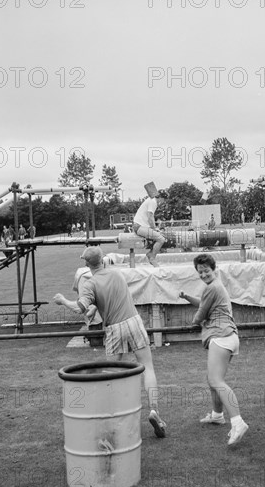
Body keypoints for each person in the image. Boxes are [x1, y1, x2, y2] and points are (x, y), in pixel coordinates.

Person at [53, 246, 166, 438]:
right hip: (133, 321)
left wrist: (63, 300)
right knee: (148, 367)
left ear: (86, 263)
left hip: (114, 329)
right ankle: (154, 410)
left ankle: (114, 420)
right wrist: (95, 308)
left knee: (110, 377)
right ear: (103, 259)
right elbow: (108, 298)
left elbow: (78, 308)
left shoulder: (90, 283)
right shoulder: (117, 274)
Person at [179, 254, 249, 446]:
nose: (203, 275)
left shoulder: (212, 287)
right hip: (229, 336)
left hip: (221, 336)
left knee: (216, 380)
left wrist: (193, 323)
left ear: (214, 269)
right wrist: (186, 297)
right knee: (213, 380)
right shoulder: (214, 287)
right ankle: (218, 415)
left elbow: (201, 313)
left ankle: (238, 422)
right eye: (200, 272)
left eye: (206, 271)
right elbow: (203, 305)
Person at [132, 191, 168, 267]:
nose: (163, 202)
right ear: (161, 198)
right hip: (139, 227)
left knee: (157, 236)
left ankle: (150, 254)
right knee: (161, 239)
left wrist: (154, 229)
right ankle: (152, 257)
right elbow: (150, 217)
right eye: (164, 200)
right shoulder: (153, 202)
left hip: (139, 226)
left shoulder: (150, 200)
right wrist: (154, 229)